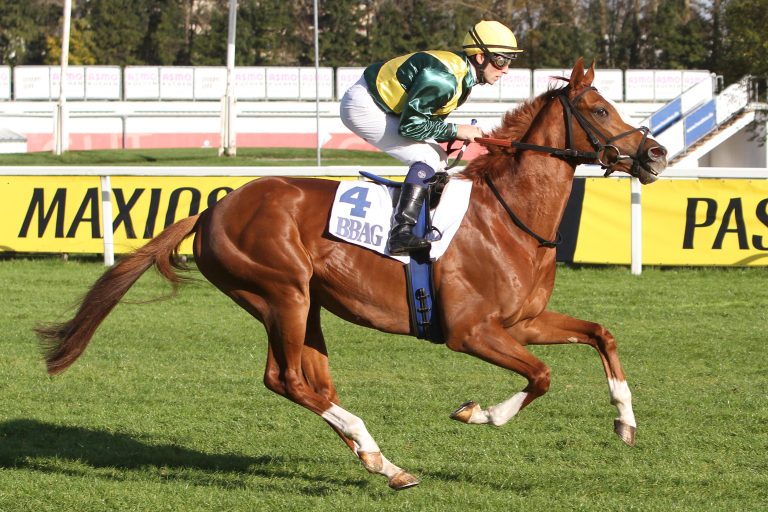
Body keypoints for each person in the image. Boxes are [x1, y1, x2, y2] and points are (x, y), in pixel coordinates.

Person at [340, 20, 523, 255]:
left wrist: (449, 138)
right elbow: (410, 126)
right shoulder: (446, 80)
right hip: (364, 105)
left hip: (382, 105)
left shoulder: (461, 77)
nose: (505, 69)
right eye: (501, 60)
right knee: (427, 157)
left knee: (438, 157)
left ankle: (424, 224)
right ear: (480, 57)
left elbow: (426, 120)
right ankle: (400, 233)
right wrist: (456, 130)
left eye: (508, 61)